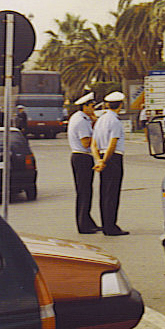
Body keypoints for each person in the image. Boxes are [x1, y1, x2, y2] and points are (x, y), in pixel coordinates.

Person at [92, 91, 129, 236]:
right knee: (112, 193)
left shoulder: (100, 120)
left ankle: (106, 224)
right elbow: (112, 145)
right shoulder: (115, 121)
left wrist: (99, 160)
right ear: (120, 105)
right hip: (112, 158)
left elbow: (94, 144)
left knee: (104, 193)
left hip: (102, 156)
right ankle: (111, 226)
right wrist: (105, 161)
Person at [67, 93, 100, 234]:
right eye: (92, 106)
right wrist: (99, 136)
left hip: (80, 157)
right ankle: (83, 225)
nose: (93, 109)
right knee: (84, 192)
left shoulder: (80, 118)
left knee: (86, 191)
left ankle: (87, 221)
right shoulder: (81, 121)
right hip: (82, 157)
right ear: (85, 106)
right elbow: (86, 142)